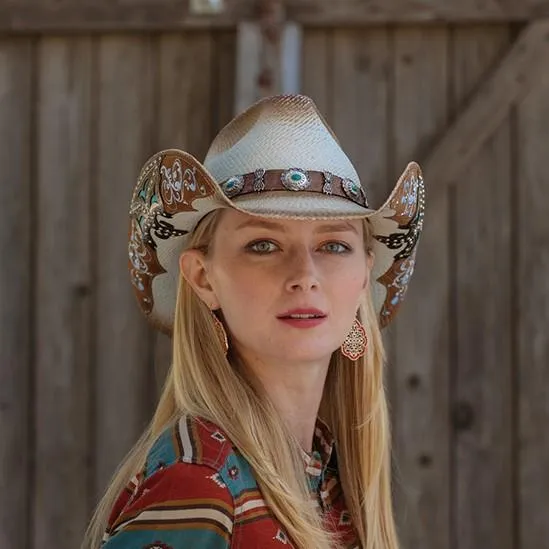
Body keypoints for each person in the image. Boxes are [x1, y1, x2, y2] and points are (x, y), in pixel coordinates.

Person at [82, 94, 425, 549]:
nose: (305, 275)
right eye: (263, 244)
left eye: (334, 245)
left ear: (365, 274)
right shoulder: (197, 482)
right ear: (203, 278)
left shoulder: (327, 475)